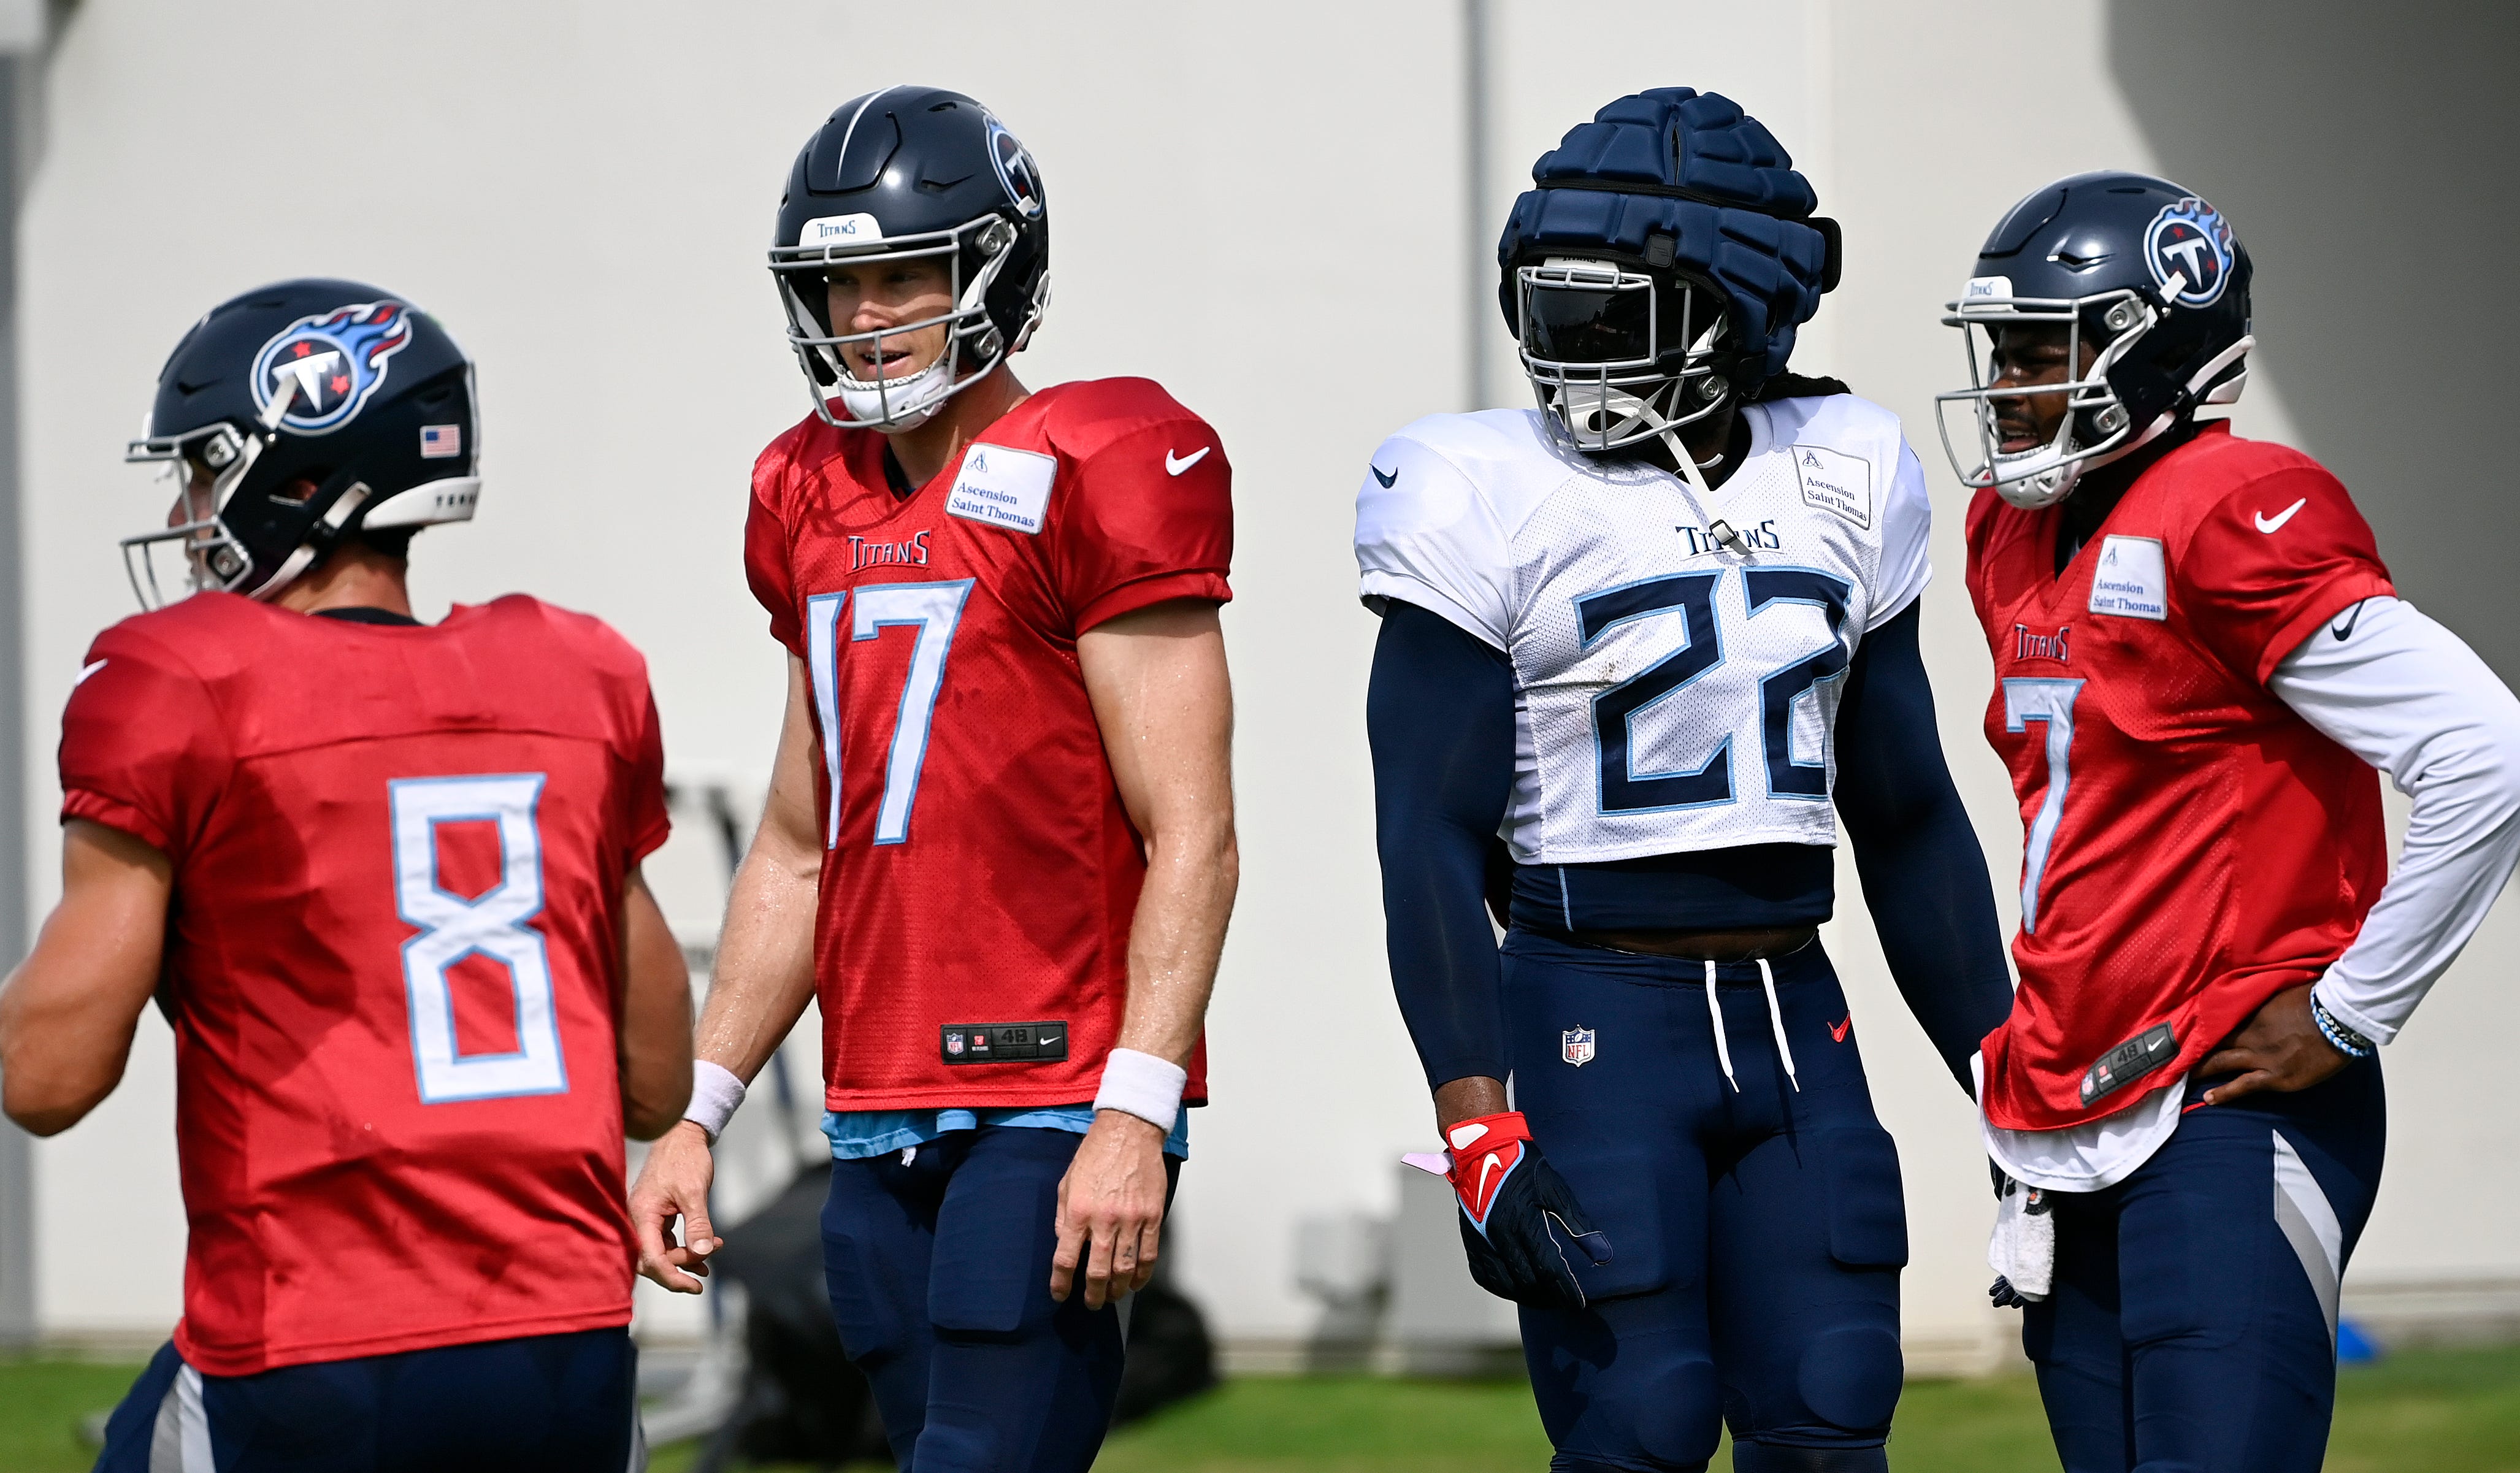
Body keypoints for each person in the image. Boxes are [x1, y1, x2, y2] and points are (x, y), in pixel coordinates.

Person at [1356, 88, 2013, 1472]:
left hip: (1793, 1004)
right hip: (1594, 1007)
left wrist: (2007, 1081)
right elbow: (1424, 833)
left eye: (1611, 318)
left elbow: (1903, 814)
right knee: (1635, 1432)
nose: (1569, 358)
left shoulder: (1847, 464)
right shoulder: (1475, 486)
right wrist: (1474, 1120)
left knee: (1836, 1410)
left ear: (1739, 309)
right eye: (1547, 313)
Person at [624, 87, 1237, 1473]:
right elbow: (796, 844)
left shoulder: (1100, 461)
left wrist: (1133, 1111)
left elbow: (1192, 829)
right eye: (839, 283)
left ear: (997, 271)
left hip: (1055, 1093)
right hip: (877, 1098)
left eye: (905, 274)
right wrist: (697, 1115)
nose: (868, 314)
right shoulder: (803, 492)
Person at [0, 280, 693, 1472]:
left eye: (208, 472)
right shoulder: (576, 678)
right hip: (567, 1340)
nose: (185, 507)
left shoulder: (184, 683)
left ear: (298, 473)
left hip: (315, 1339)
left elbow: (47, 1078)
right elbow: (651, 1080)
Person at [1939, 170, 2520, 1472]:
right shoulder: (2005, 526)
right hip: (2071, 1094)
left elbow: (2490, 757)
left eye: (2044, 348)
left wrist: (2349, 1008)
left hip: (2223, 1099)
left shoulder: (2235, 508)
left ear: (2153, 342)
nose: (2008, 382)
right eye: (2000, 349)